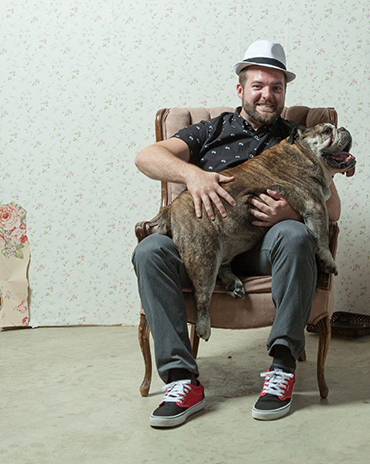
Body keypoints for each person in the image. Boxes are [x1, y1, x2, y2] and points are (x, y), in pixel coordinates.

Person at [132, 40, 351, 428]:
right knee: (150, 251)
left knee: (296, 235)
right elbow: (146, 157)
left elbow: (331, 211)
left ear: (284, 92)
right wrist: (193, 175)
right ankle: (182, 380)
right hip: (207, 243)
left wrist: (293, 211)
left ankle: (282, 367)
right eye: (258, 85)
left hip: (266, 249)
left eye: (276, 87)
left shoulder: (300, 138)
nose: (267, 94)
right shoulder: (209, 131)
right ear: (241, 90)